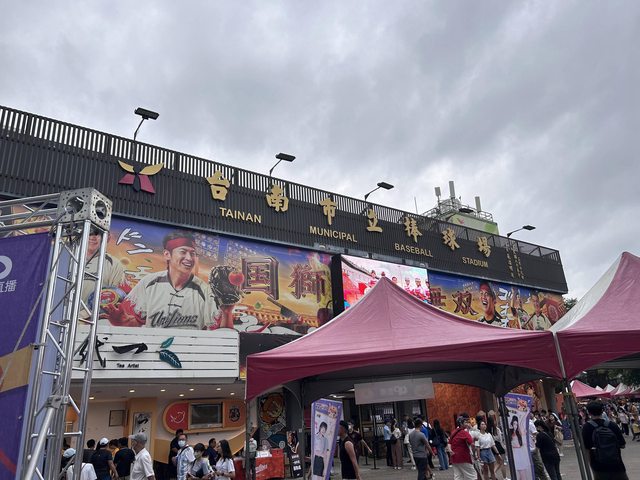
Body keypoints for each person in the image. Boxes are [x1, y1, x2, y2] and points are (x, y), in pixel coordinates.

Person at [107, 232, 235, 329]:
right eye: (183, 252)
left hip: (190, 354)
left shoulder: (205, 290)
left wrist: (227, 312)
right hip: (153, 353)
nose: (189, 258)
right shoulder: (149, 283)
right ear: (167, 254)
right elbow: (132, 323)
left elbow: (220, 333)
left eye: (192, 253)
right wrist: (120, 321)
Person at [582, 400, 628, 479]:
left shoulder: (587, 427)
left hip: (599, 467)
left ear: (589, 412)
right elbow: (622, 445)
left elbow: (586, 449)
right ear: (602, 411)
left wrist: (591, 466)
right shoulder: (612, 425)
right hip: (617, 465)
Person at [449, 416, 476, 480]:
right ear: (461, 424)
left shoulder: (454, 432)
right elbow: (471, 443)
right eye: (465, 422)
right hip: (464, 457)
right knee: (472, 476)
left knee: (458, 476)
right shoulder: (464, 433)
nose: (467, 423)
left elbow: (449, 442)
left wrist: (450, 450)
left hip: (454, 458)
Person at [487, 412, 507, 480]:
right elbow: (500, 439)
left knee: (498, 462)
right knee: (502, 462)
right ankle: (504, 477)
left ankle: (493, 473)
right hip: (499, 445)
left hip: (493, 447)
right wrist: (504, 446)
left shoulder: (488, 430)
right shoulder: (496, 429)